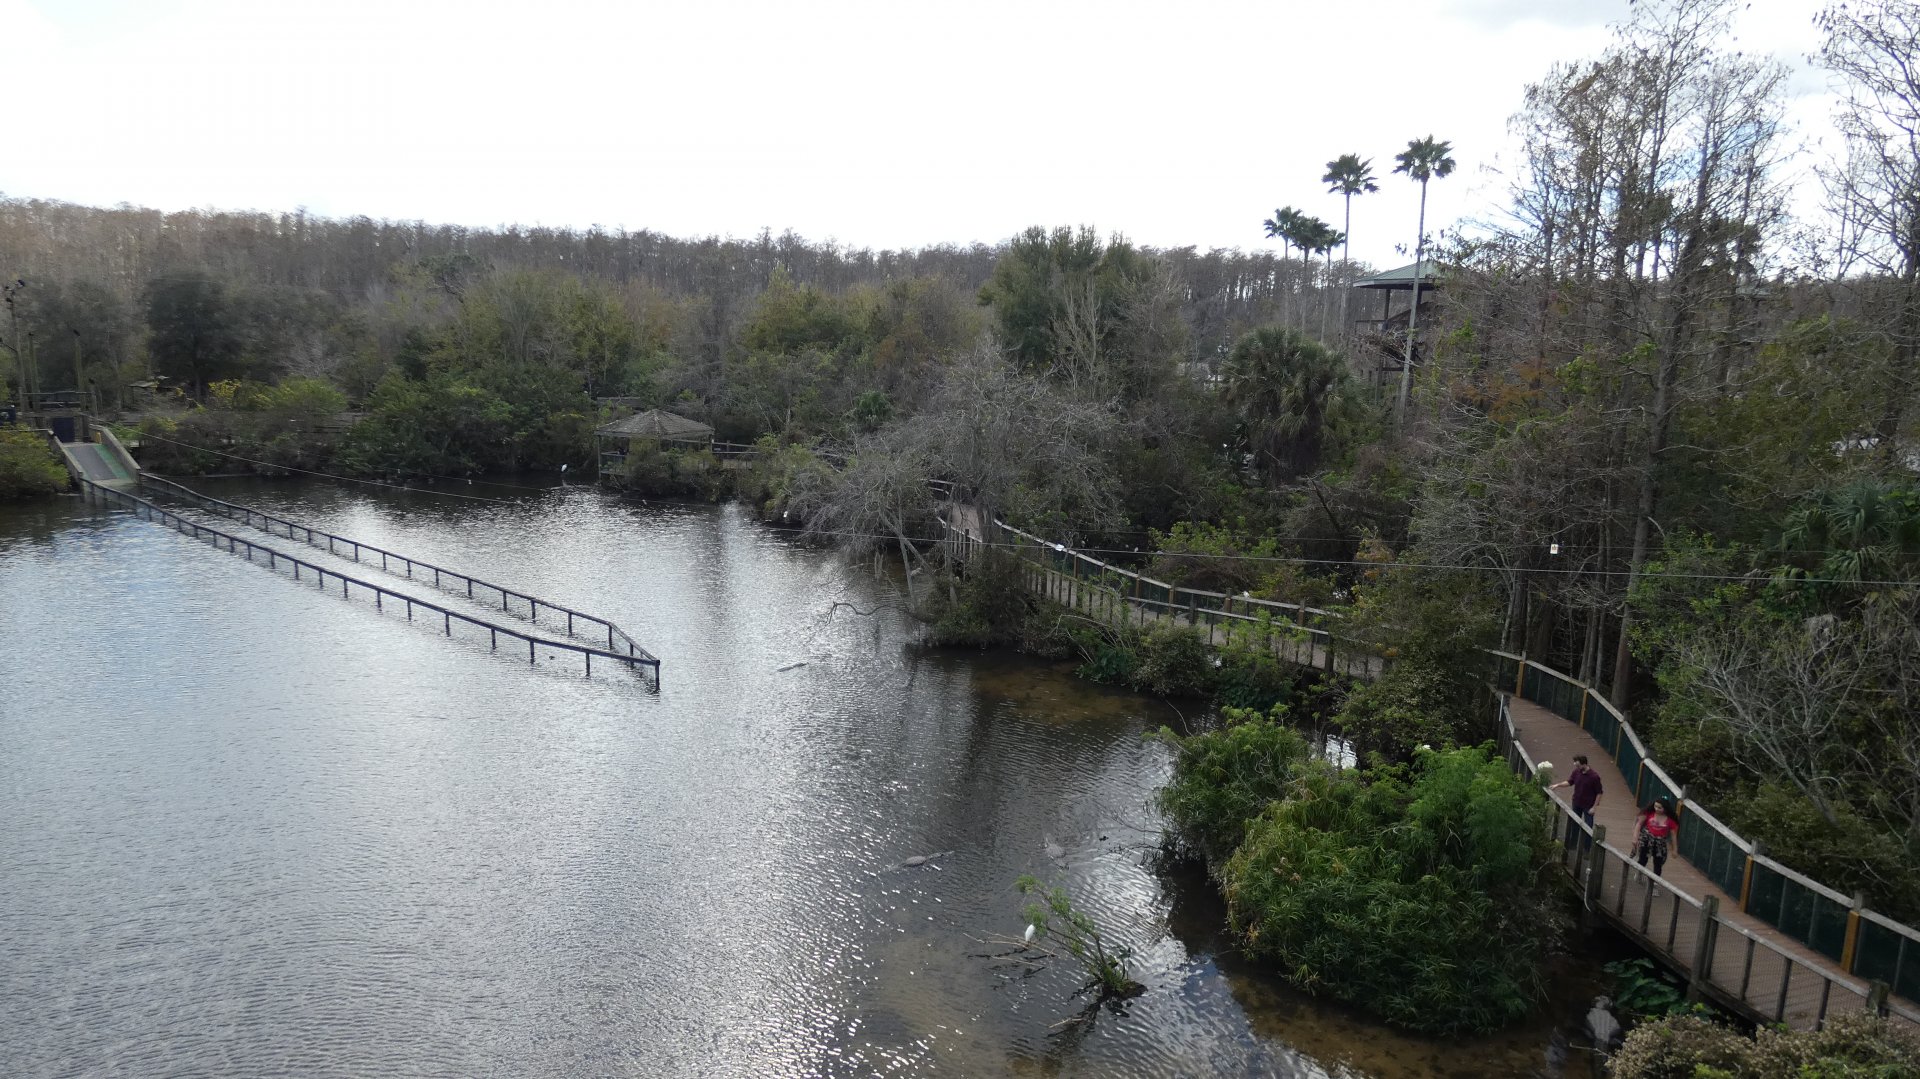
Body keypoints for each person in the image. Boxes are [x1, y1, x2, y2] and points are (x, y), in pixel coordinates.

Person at [1550, 754, 1604, 846]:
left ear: (1584, 764)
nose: (1576, 766)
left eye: (1578, 765)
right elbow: (1570, 782)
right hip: (1577, 802)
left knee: (1588, 826)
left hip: (1588, 805)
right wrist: (1557, 785)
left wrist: (1594, 807)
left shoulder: (1594, 777)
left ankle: (1587, 848)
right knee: (1574, 824)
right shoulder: (1576, 772)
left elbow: (1599, 793)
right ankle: (1573, 844)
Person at [1635, 798, 1679, 876]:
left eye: (1659, 808)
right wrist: (1635, 838)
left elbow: (1673, 835)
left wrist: (1674, 849)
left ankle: (1655, 880)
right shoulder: (1649, 814)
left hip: (1660, 844)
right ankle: (1639, 874)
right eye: (1655, 806)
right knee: (1642, 859)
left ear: (1665, 809)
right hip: (1647, 840)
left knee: (1658, 863)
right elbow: (1639, 824)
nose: (1657, 809)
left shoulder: (1670, 821)